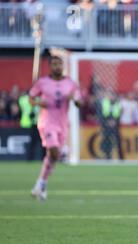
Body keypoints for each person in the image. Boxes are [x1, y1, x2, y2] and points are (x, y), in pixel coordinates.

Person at [29, 55, 82, 201]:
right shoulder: (42, 82)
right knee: (54, 151)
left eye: (60, 64)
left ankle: (41, 184)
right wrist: (40, 103)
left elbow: (79, 102)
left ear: (63, 66)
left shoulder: (71, 84)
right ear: (50, 66)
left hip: (63, 124)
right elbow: (31, 97)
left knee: (52, 156)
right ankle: (63, 153)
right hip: (47, 122)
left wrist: (74, 99)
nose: (57, 67)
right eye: (54, 64)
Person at [18, 91, 44, 161]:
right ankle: (36, 158)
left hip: (36, 124)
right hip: (36, 124)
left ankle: (32, 158)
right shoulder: (37, 101)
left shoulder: (25, 100)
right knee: (38, 142)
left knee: (35, 143)